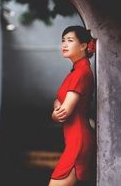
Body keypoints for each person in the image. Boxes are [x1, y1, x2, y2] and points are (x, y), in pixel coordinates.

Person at [48, 25, 96, 186]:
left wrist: (55, 113)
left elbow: (64, 112)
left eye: (70, 40)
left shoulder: (81, 73)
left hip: (78, 139)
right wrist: (57, 105)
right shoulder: (77, 71)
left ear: (83, 46)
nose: (64, 45)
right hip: (75, 138)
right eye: (63, 41)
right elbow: (58, 100)